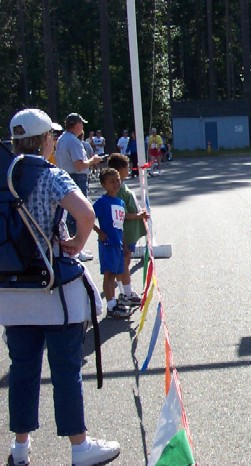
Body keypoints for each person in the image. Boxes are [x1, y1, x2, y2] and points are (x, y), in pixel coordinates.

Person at [1, 108, 120, 466]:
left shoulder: (3, 176)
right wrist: (77, 244)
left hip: (10, 291)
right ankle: (79, 446)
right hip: (52, 286)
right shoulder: (50, 175)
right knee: (65, 369)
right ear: (45, 141)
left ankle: (20, 447)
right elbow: (85, 213)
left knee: (22, 369)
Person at [55, 113, 102, 261]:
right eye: (81, 124)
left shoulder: (62, 139)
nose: (83, 127)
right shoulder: (73, 141)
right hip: (76, 177)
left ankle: (73, 247)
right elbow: (79, 165)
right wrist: (93, 160)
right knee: (78, 213)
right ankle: (76, 249)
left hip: (65, 175)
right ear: (77, 124)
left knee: (69, 214)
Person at [106, 154, 149, 307]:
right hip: (125, 234)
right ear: (119, 170)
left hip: (129, 233)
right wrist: (138, 215)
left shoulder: (121, 186)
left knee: (124, 263)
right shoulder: (118, 190)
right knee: (124, 264)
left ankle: (124, 292)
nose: (129, 169)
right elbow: (121, 214)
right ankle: (128, 293)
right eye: (126, 167)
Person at [92, 167, 129, 318]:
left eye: (117, 180)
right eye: (111, 181)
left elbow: (120, 225)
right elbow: (88, 217)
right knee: (109, 275)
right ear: (104, 185)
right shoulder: (102, 202)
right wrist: (99, 232)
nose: (115, 184)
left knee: (115, 273)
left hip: (117, 243)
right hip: (107, 244)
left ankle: (115, 301)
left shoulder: (120, 202)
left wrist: (124, 243)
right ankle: (111, 306)